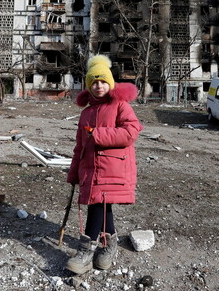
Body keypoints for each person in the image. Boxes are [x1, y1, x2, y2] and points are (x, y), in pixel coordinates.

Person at [66, 55, 143, 275]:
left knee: (97, 205)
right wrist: (73, 172)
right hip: (90, 170)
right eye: (94, 82)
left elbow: (131, 132)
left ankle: (85, 253)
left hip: (113, 169)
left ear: (110, 83)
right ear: (88, 86)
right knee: (102, 204)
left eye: (103, 81)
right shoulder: (86, 113)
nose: (99, 86)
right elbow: (79, 147)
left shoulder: (120, 105)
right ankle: (109, 245)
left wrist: (98, 134)